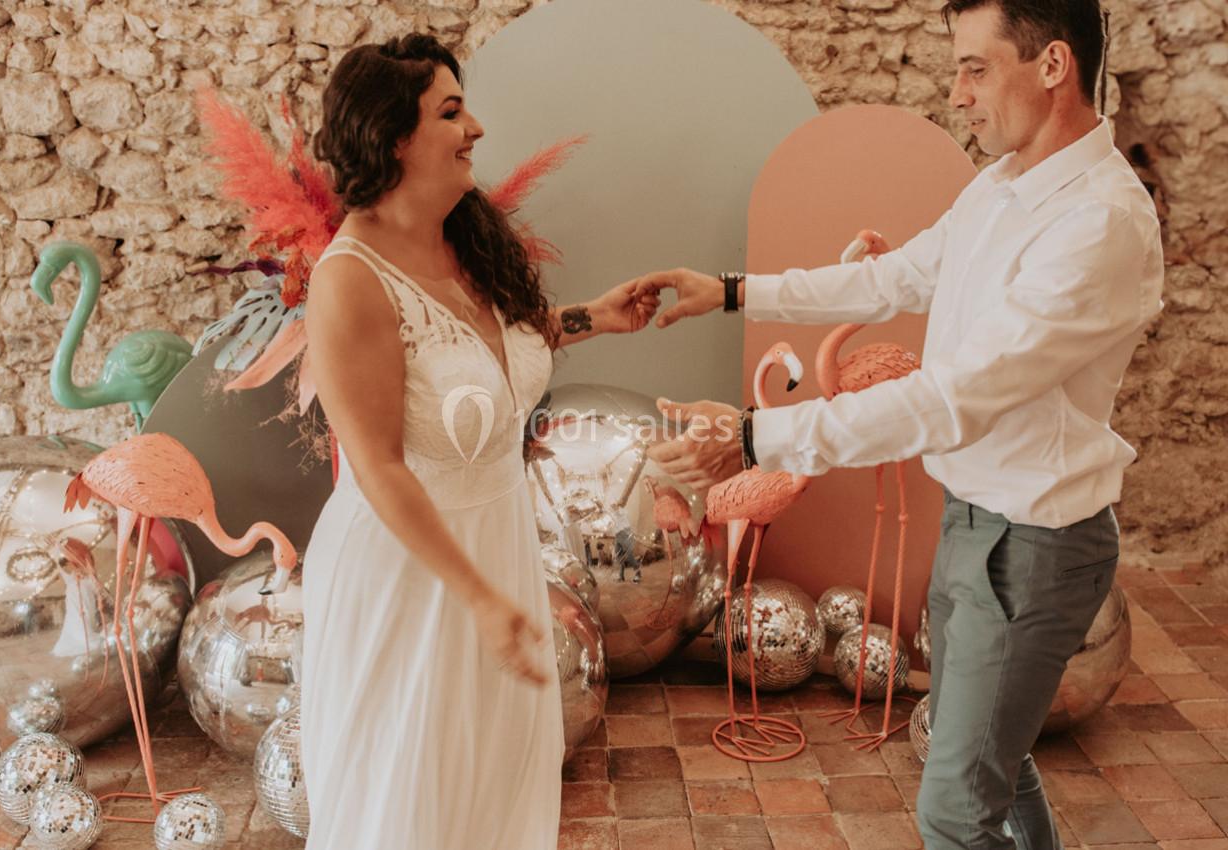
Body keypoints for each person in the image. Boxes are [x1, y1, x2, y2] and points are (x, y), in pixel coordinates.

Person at [630, 2, 1163, 848]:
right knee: (997, 764)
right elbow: (894, 281)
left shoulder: (1099, 222)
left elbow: (954, 397)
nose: (956, 94)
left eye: (975, 68)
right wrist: (734, 290)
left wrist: (758, 437)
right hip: (973, 526)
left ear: (1054, 65)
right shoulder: (1003, 185)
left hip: (1032, 547)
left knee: (955, 809)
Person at [300, 34, 657, 850]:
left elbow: (488, 354)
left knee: (491, 785)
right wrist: (481, 599)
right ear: (393, 136)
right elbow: (381, 468)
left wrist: (593, 317)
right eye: (452, 112)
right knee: (409, 797)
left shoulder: (463, 238)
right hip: (411, 577)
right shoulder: (349, 279)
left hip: (495, 554)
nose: (478, 129)